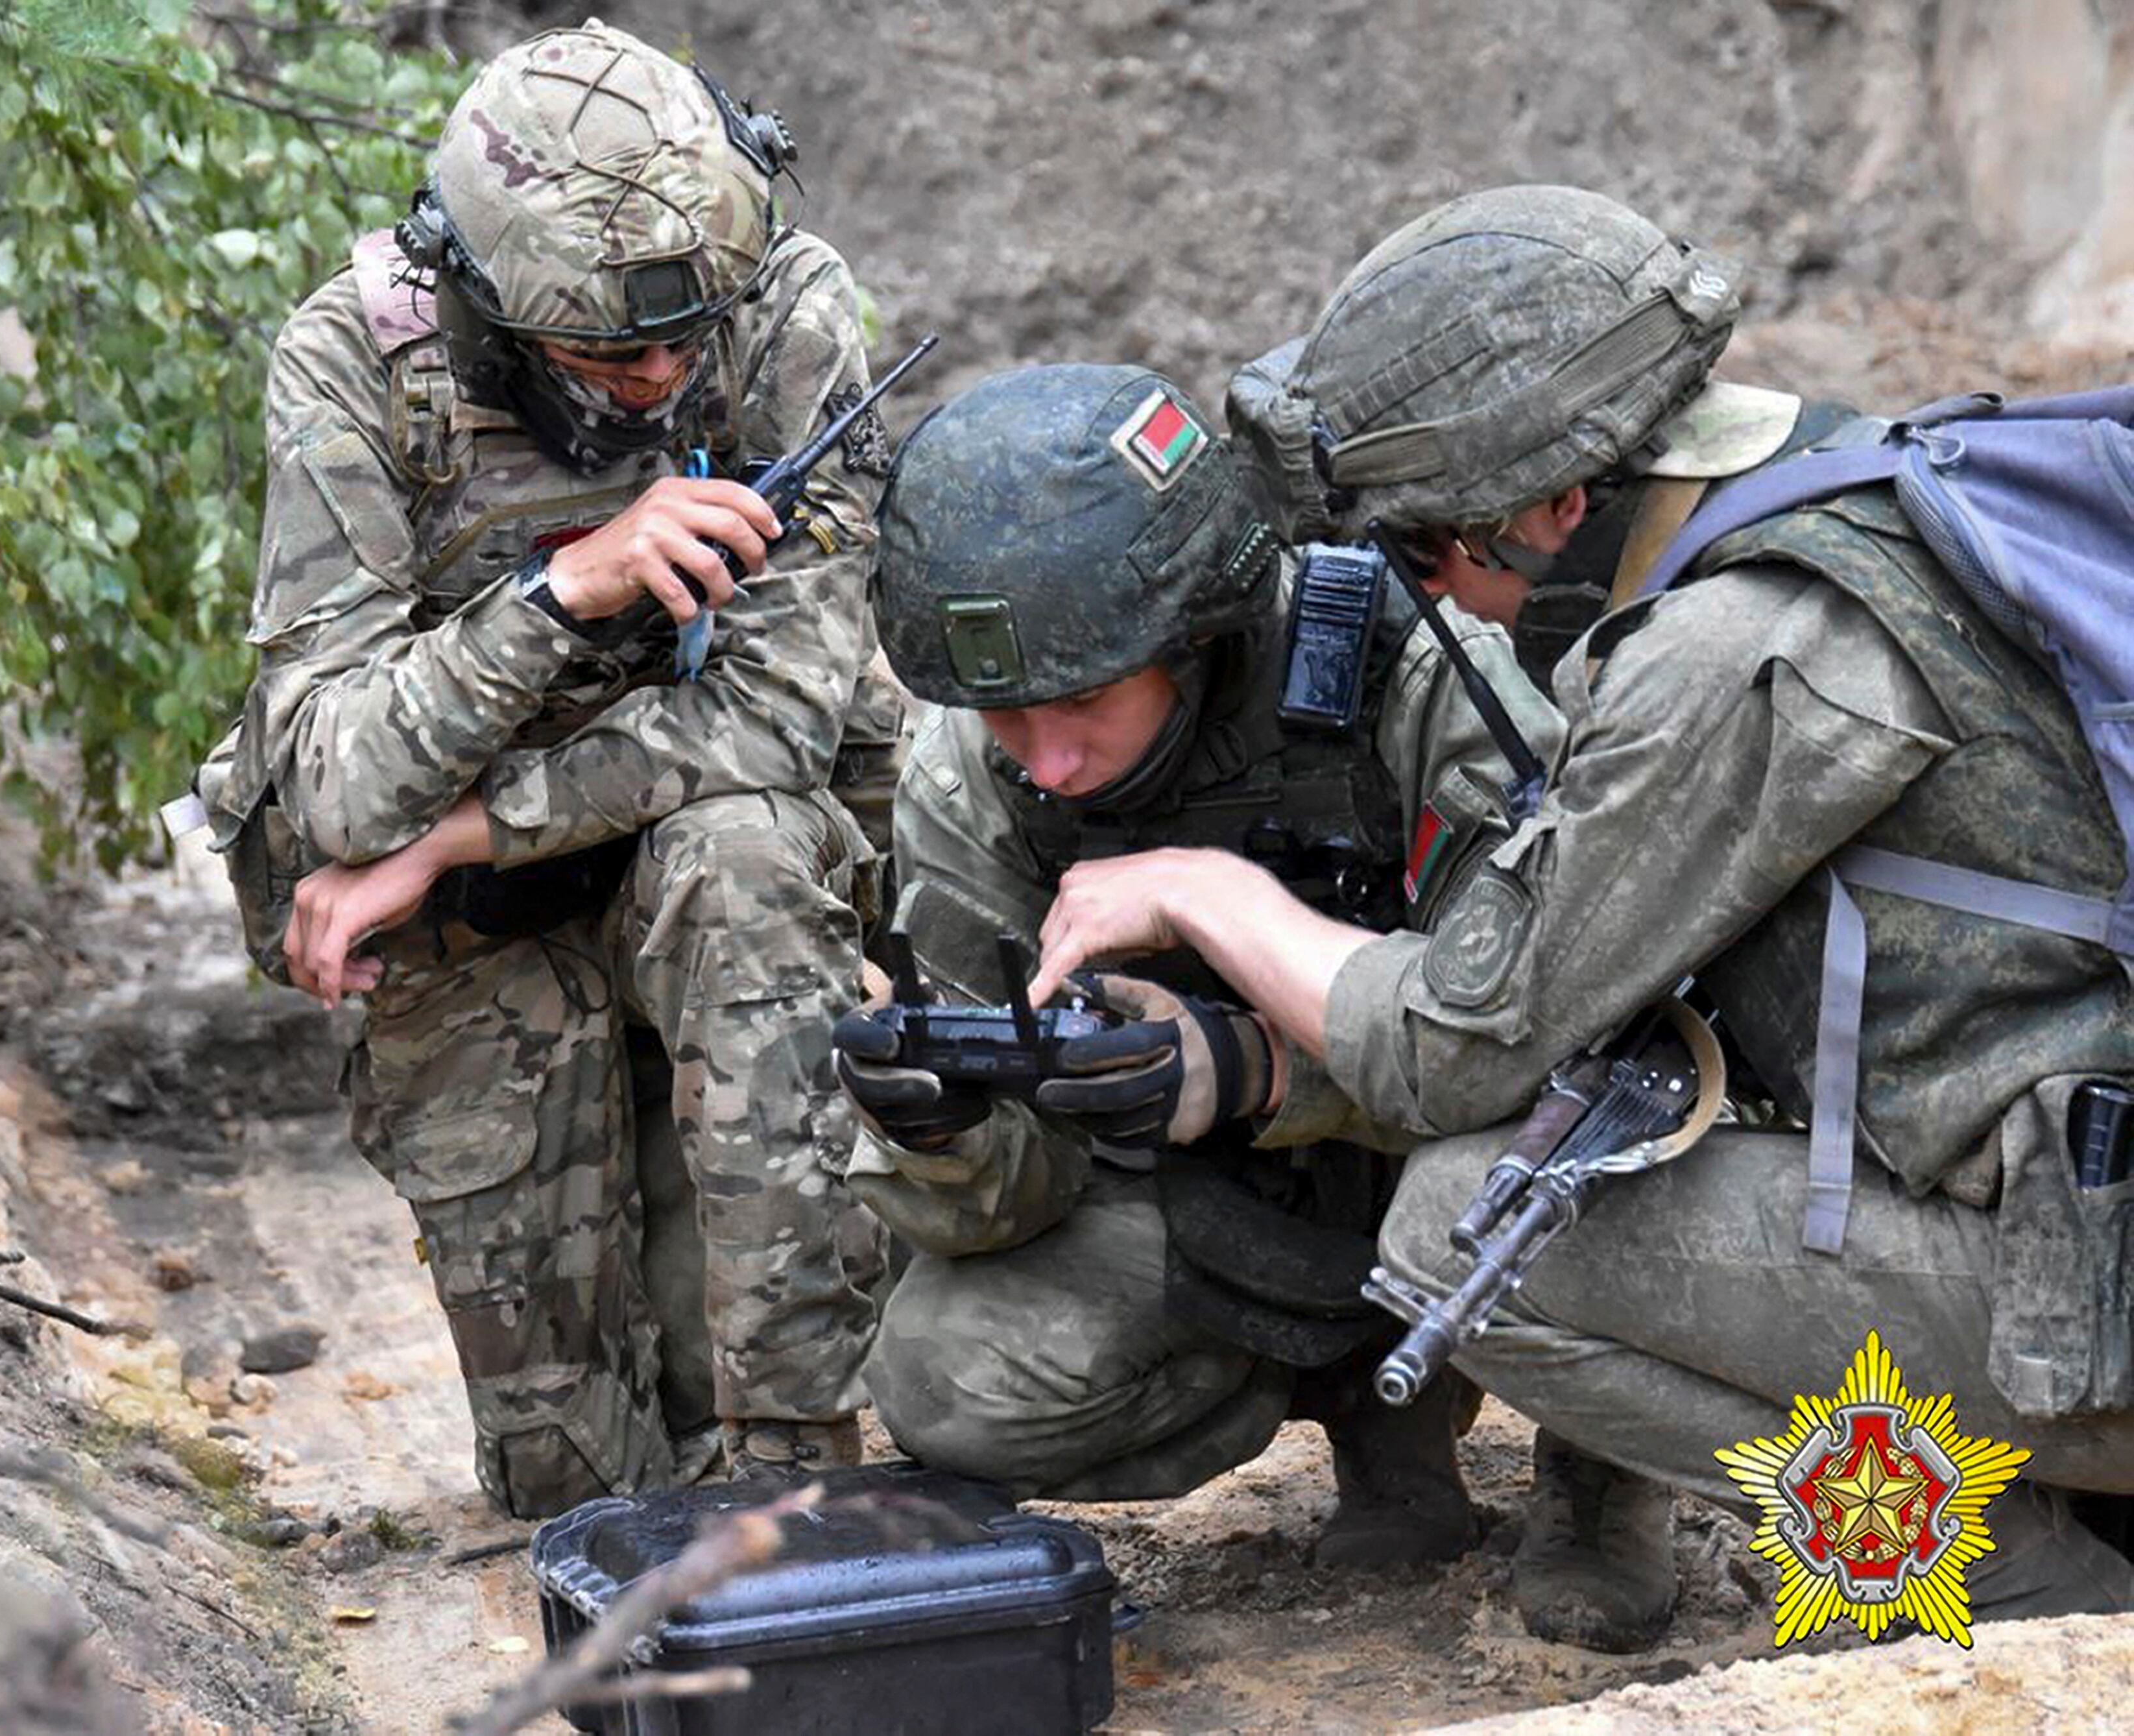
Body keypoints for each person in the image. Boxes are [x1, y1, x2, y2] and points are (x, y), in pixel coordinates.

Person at [1031, 184, 2134, 1643]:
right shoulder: (1897, 492)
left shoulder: (1747, 642)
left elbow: (1457, 1049)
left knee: (1462, 1240)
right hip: (2081, 1210)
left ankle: (2025, 1600)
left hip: (2093, 1284)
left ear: (1557, 503)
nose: (1437, 599)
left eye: (1426, 552)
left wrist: (1205, 890)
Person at [193, 21, 899, 1519]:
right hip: (484, 951)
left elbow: (775, 723)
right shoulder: (357, 362)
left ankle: (798, 1472)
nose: (656, 379)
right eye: (606, 352)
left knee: (752, 849)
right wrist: (563, 594)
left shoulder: (781, 314)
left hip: (679, 866)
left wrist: (456, 834)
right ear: (493, 311)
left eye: (678, 341)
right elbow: (329, 784)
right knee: (574, 1488)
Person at [829, 363, 1565, 1563]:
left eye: (1081, 703)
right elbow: (994, 1212)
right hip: (1200, 1201)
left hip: (1462, 1162)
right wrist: (945, 1136)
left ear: (1195, 631)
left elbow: (1559, 1034)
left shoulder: (1413, 681)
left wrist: (1258, 1067)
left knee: (1583, 1170)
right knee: (942, 1382)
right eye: (1007, 715)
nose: (1048, 761)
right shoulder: (977, 773)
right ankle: (1296, 1385)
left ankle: (1583, 1483)